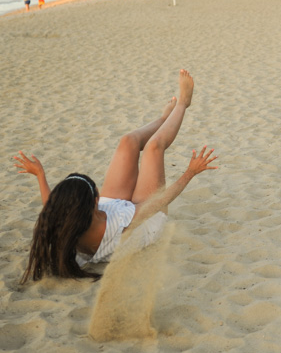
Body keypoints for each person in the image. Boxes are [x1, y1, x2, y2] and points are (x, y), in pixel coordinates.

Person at [14, 70, 217, 282]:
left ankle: (164, 119)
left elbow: (50, 206)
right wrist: (190, 172)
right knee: (153, 148)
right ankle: (184, 103)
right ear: (95, 201)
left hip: (114, 213)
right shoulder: (110, 226)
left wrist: (40, 175)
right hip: (144, 222)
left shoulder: (68, 219)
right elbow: (160, 201)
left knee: (127, 141)